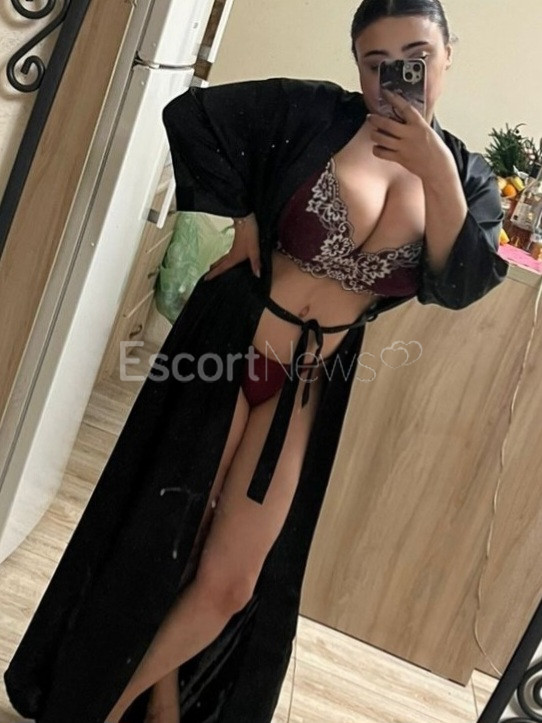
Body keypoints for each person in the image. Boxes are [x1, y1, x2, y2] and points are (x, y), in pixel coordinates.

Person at [3, 1, 509, 722]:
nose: (397, 78)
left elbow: (461, 282)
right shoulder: (313, 113)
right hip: (228, 347)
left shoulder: (467, 178)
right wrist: (243, 219)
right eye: (377, 64)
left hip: (309, 384)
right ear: (356, 66)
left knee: (233, 581)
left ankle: (145, 693)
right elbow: (193, 116)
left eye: (417, 59)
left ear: (448, 55)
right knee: (163, 543)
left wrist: (436, 172)